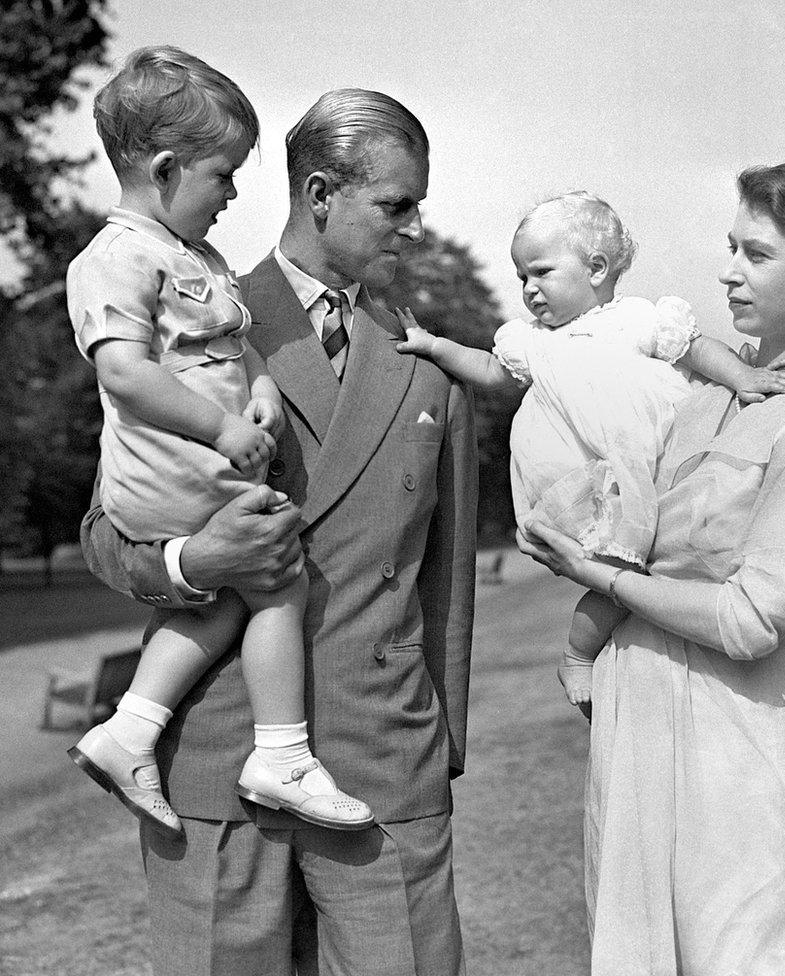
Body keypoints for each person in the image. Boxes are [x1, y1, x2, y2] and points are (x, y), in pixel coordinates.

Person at [80, 87, 477, 976]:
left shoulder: (429, 364)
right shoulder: (183, 309)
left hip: (382, 766)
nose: (414, 227)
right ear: (321, 193)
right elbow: (107, 527)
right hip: (218, 761)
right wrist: (193, 561)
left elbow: (448, 580)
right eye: (396, 204)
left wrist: (435, 747)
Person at [517, 158, 785, 975]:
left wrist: (600, 578)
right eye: (730, 246)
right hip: (634, 720)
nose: (726, 271)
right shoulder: (700, 398)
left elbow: (749, 619)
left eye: (756, 255)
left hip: (737, 740)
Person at [66, 47, 372, 842]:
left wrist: (263, 386)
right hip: (167, 477)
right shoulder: (114, 258)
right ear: (166, 169)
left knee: (239, 591)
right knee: (277, 578)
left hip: (200, 472)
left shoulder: (196, 258)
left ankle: (129, 730)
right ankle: (282, 754)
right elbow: (127, 376)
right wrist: (226, 427)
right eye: (223, 175)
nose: (233, 195)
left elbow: (235, 348)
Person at [397, 190, 785, 708]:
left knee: (653, 569)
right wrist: (435, 346)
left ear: (597, 267)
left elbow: (696, 349)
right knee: (619, 572)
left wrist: (742, 376)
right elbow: (491, 372)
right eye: (522, 278)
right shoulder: (532, 340)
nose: (530, 289)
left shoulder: (638, 320)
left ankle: (613, 656)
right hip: (582, 483)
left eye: (541, 272)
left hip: (647, 472)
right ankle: (578, 657)